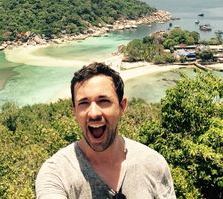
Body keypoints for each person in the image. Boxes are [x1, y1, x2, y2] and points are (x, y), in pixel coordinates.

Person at [35, 62, 176, 199]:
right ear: (75, 111)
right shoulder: (57, 173)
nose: (93, 113)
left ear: (122, 107)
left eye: (103, 101)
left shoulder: (153, 164)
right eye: (84, 103)